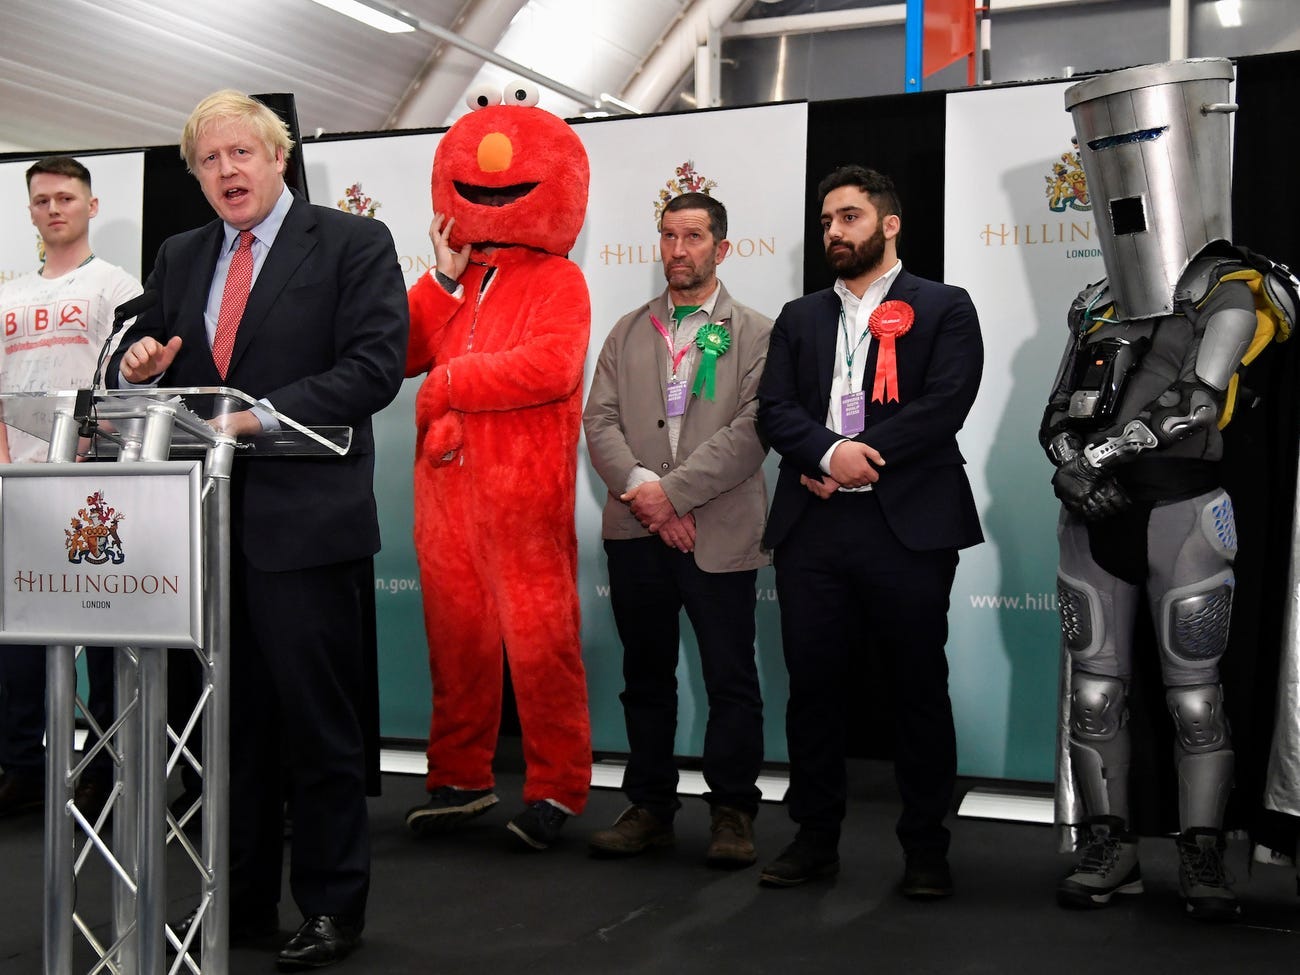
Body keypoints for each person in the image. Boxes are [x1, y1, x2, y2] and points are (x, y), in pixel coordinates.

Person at [108, 90, 408, 969]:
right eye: (209, 160)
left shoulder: (354, 242)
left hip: (306, 527)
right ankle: (233, 900)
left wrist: (256, 418)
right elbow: (145, 352)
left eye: (242, 153)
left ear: (279, 158)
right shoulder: (180, 253)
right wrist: (136, 363)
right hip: (200, 530)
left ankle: (330, 906)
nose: (227, 171)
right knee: (220, 734)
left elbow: (373, 367)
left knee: (318, 727)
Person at [1042, 58, 1297, 922]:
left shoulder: (1238, 284)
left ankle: (1201, 853)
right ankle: (1108, 844)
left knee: (1194, 695)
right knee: (1094, 689)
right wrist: (1070, 467)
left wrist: (1103, 456)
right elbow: (1058, 409)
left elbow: (1197, 401)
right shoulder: (1099, 300)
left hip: (1183, 510)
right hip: (1094, 518)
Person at [756, 165, 983, 895]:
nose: (834, 232)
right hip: (813, 526)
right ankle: (813, 839)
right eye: (826, 221)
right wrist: (826, 452)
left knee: (917, 688)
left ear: (889, 225)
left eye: (849, 218)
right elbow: (775, 410)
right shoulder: (799, 316)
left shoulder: (945, 306)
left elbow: (946, 402)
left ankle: (926, 850)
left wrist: (858, 457)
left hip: (907, 526)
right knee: (812, 690)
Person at [402, 87, 592, 850]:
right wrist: (442, 278)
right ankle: (459, 774)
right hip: (445, 498)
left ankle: (558, 785)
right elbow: (404, 351)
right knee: (455, 639)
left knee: (543, 645)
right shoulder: (456, 279)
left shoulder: (559, 280)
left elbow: (550, 366)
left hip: (524, 500)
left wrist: (450, 385)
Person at [583, 191, 772, 867]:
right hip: (638, 534)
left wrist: (676, 496)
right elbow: (598, 422)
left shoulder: (757, 331)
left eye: (692, 237)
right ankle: (651, 806)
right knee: (646, 675)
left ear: (721, 247)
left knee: (730, 678)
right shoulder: (628, 330)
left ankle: (732, 811)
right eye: (667, 235)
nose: (677, 249)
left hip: (718, 534)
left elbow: (754, 430)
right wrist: (648, 496)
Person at [0, 155, 141, 820]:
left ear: (90, 204)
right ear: (29, 210)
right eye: (42, 199)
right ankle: (23, 766)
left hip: (94, 489)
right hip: (21, 487)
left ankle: (105, 769)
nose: (53, 208)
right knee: (20, 638)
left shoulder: (115, 286)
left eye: (65, 197)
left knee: (104, 637)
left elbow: (131, 386)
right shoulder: (8, 296)